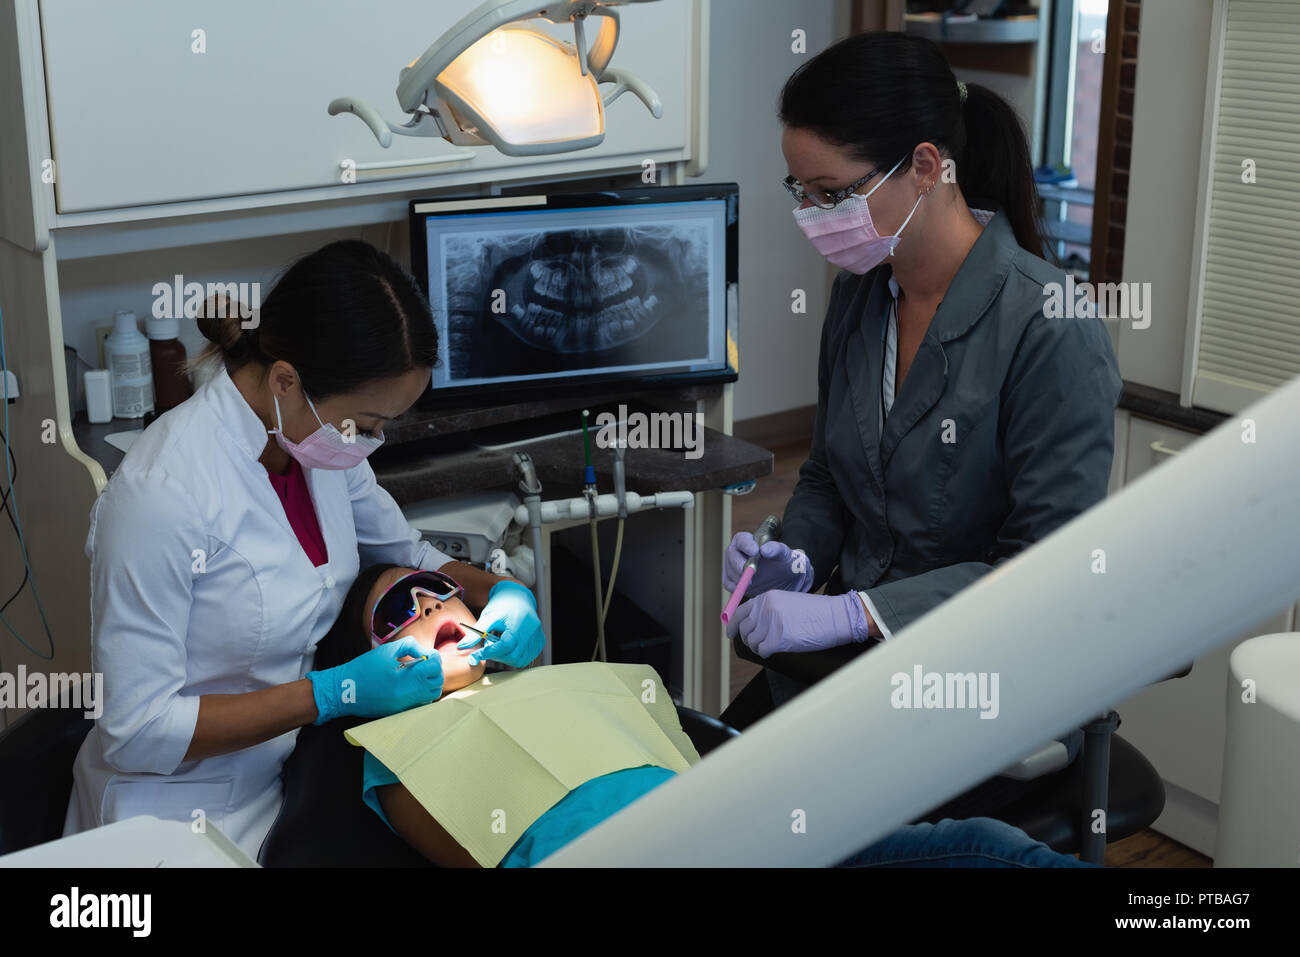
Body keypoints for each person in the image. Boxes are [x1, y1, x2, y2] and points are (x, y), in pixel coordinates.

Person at [63, 240, 546, 863]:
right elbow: (137, 731)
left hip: (288, 781)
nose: (373, 442)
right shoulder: (162, 499)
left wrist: (503, 593)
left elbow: (414, 554)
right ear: (287, 380)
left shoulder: (316, 444)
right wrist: (332, 693)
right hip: (168, 815)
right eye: (367, 424)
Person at [721, 32, 1123, 755]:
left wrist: (859, 613)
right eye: (800, 194)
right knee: (697, 781)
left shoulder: (1050, 328)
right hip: (857, 671)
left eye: (832, 194)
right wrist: (798, 556)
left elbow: (1043, 572)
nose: (812, 217)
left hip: (981, 683)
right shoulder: (860, 300)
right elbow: (828, 476)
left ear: (927, 167)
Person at [312, 562, 1095, 868]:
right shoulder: (392, 752)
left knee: (986, 848)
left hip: (749, 830)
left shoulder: (559, 677)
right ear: (367, 656)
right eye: (402, 611)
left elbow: (464, 579)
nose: (432, 604)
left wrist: (502, 587)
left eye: (439, 592)